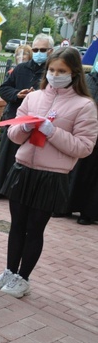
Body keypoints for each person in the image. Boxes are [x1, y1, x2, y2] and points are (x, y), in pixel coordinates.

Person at [0, 47, 97, 298]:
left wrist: (52, 131)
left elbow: (84, 147)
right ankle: (9, 270)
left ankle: (23, 277)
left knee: (35, 228)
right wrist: (25, 126)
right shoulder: (33, 98)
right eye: (51, 70)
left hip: (52, 174)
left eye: (62, 71)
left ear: (74, 74)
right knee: (17, 225)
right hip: (23, 168)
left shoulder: (84, 106)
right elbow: (14, 135)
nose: (55, 75)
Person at [0, 34, 53, 200]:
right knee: (6, 154)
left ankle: (20, 191)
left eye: (42, 50)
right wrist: (18, 94)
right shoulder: (20, 68)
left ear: (50, 51)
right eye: (35, 49)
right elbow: (4, 89)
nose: (38, 53)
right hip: (15, 117)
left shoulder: (51, 71)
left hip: (37, 121)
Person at [65, 58, 98, 224]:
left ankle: (88, 213)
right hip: (81, 133)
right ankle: (65, 206)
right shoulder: (87, 80)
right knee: (75, 172)